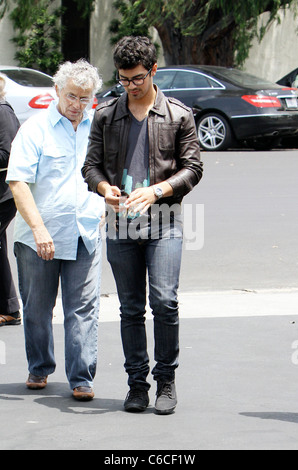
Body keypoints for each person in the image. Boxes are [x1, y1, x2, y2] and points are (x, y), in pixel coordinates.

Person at [82, 36, 203, 414]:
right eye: (123, 79)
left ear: (153, 71)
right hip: (120, 223)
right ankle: (137, 385)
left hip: (164, 220)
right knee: (131, 308)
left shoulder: (178, 114)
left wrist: (157, 191)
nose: (129, 86)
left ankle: (166, 381)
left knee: (164, 302)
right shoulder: (106, 115)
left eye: (136, 78)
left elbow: (193, 168)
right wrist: (105, 189)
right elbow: (90, 166)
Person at [7, 60, 104, 401]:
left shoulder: (99, 127)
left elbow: (110, 171)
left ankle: (81, 377)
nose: (77, 104)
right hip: (39, 236)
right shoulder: (35, 129)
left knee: (83, 308)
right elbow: (18, 181)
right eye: (72, 96)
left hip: (85, 231)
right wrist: (38, 229)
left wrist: (106, 202)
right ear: (57, 92)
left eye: (85, 97)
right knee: (37, 306)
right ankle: (40, 366)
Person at [0, 74, 21, 327]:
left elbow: (9, 155)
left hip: (5, 195)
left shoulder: (3, 112)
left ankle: (10, 308)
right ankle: (10, 309)